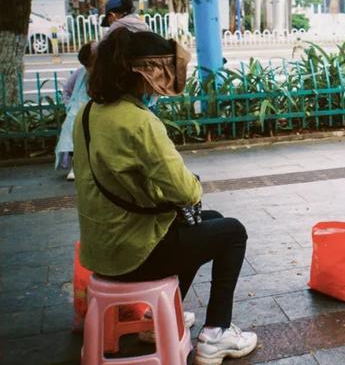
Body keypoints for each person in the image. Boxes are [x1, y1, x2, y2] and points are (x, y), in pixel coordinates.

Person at [73, 28, 257, 365]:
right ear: (146, 76)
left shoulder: (88, 114)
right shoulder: (140, 122)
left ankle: (156, 321)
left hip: (101, 250)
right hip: (134, 255)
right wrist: (188, 184)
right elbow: (187, 190)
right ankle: (216, 334)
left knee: (209, 222)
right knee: (233, 232)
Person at [55, 42, 93, 180]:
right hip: (78, 109)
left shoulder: (104, 71)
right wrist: (69, 106)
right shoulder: (80, 73)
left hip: (97, 109)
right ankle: (75, 165)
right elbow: (67, 91)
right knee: (72, 129)